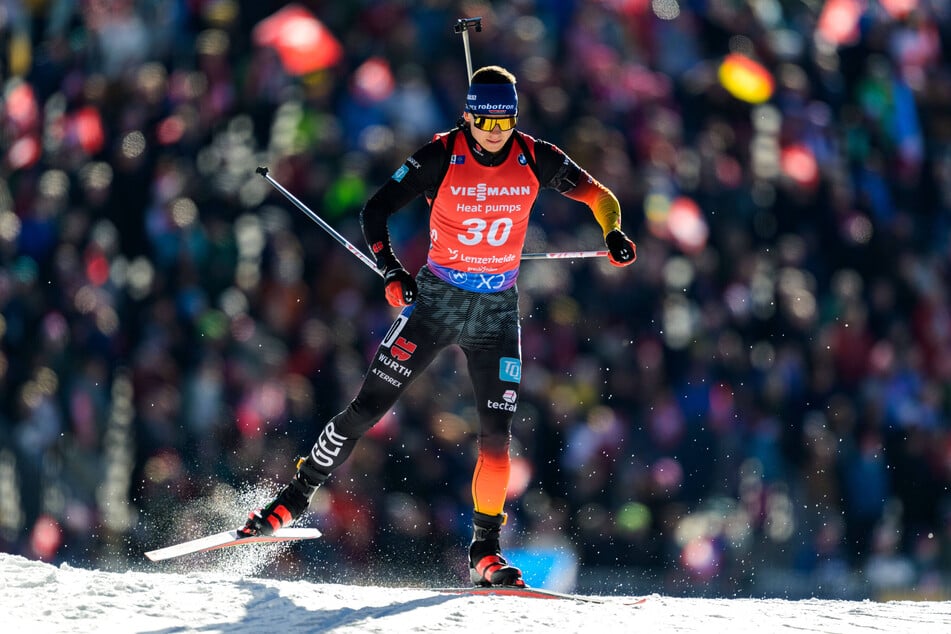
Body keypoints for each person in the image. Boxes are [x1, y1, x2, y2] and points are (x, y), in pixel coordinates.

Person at [239, 65, 636, 587]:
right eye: (485, 123)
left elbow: (600, 196)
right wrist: (391, 271)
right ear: (468, 116)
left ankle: (485, 551)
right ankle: (290, 501)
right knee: (367, 409)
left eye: (504, 124)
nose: (495, 135)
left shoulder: (536, 155)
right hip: (436, 302)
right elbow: (376, 209)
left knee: (497, 436)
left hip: (495, 310)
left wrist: (613, 231)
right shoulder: (440, 155)